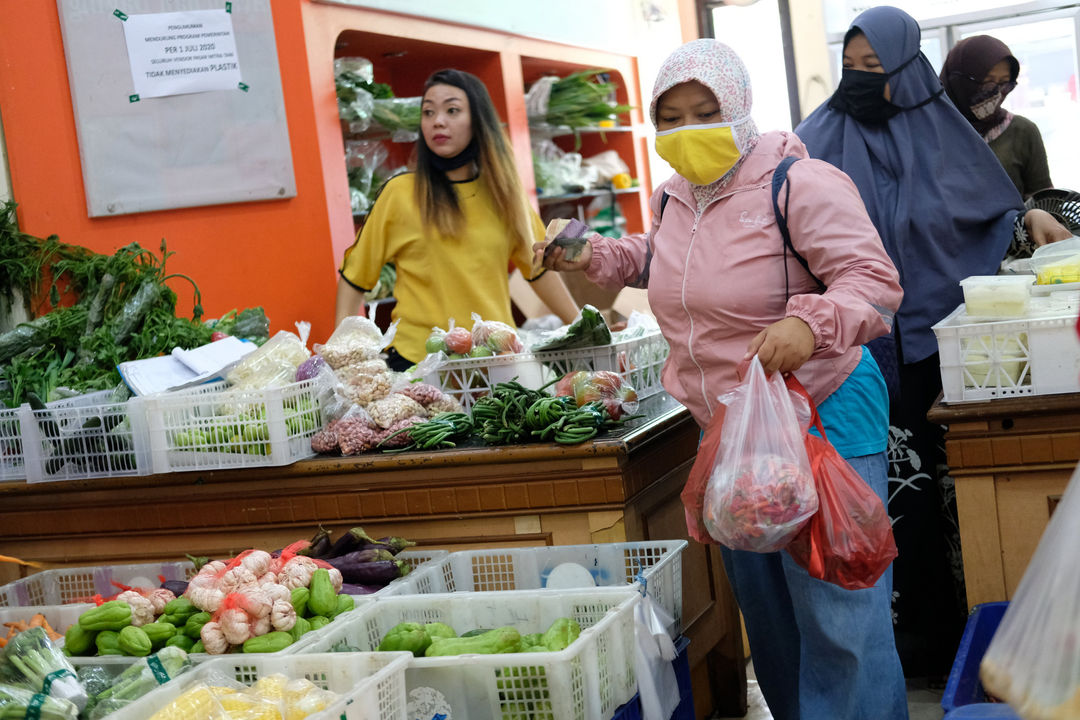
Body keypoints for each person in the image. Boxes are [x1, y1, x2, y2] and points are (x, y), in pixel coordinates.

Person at [540, 39, 908, 720]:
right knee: (770, 621)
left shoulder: (798, 183)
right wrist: (595, 255)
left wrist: (814, 323)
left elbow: (874, 283)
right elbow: (665, 261)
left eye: (703, 111)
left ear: (737, 107)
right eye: (670, 116)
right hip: (732, 434)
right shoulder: (675, 197)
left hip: (821, 412)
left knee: (837, 617)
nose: (686, 131)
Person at [795, 5, 1070, 682]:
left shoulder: (945, 135)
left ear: (910, 73)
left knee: (952, 498)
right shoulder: (814, 140)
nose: (861, 82)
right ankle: (906, 650)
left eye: (877, 69)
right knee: (884, 500)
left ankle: (973, 639)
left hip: (945, 353)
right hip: (854, 360)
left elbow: (990, 210)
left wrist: (1030, 212)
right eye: (851, 69)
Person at [335, 68, 579, 370]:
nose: (438, 120)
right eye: (428, 112)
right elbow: (355, 275)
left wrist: (583, 327)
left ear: (478, 121)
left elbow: (539, 269)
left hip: (496, 361)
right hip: (417, 364)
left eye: (452, 110)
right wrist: (343, 353)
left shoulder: (504, 195)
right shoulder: (399, 194)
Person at [941, 34, 1053, 199]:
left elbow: (1044, 201)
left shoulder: (1022, 131)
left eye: (1004, 83)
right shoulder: (931, 134)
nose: (996, 93)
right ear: (959, 80)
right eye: (989, 82)